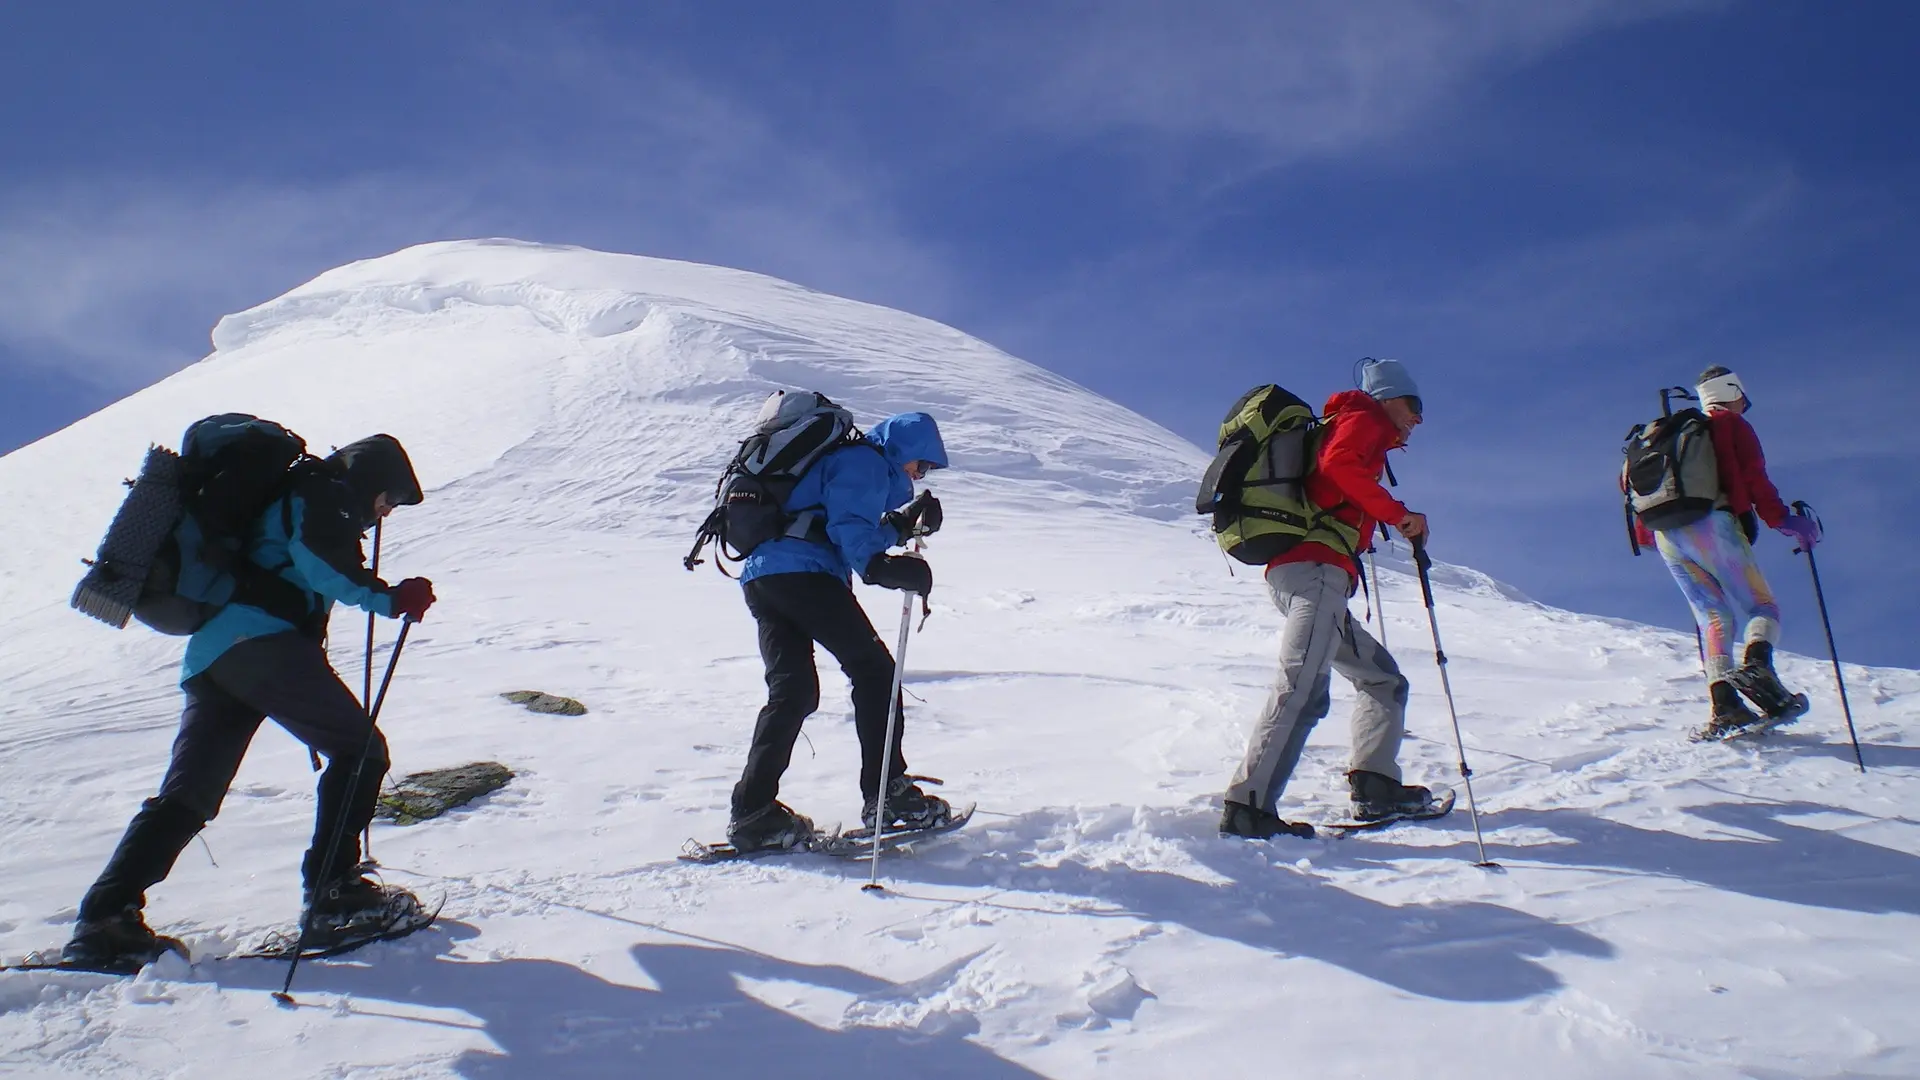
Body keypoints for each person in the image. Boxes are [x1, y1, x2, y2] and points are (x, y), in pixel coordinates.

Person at [63, 434, 438, 968]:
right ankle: (335, 895)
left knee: (188, 796)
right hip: (261, 647)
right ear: (371, 478)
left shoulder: (294, 495)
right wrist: (390, 596)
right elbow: (320, 561)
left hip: (215, 657)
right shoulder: (322, 491)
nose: (385, 512)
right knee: (362, 752)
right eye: (390, 498)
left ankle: (105, 919)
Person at [1221, 358, 1434, 839]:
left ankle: (1376, 785)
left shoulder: (1358, 427)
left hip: (1317, 577)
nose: (1418, 418)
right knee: (1301, 690)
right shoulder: (1363, 419)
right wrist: (1398, 516)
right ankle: (1247, 807)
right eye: (1414, 404)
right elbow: (1338, 465)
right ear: (1388, 398)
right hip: (1315, 573)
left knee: (1383, 680)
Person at [725, 411, 952, 853]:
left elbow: (836, 524)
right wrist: (880, 567)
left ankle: (753, 813)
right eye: (920, 464)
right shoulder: (864, 461)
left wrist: (902, 526)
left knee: (793, 693)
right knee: (875, 672)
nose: (919, 473)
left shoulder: (847, 464)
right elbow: (850, 531)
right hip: (804, 575)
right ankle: (887, 795)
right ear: (903, 449)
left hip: (764, 578)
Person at [1641, 366, 1820, 740]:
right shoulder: (1730, 425)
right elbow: (1755, 477)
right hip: (1713, 523)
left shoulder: (1667, 435)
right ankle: (1758, 668)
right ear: (1733, 391)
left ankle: (1725, 706)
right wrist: (1785, 521)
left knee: (1714, 619)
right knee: (1762, 606)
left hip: (1667, 535)